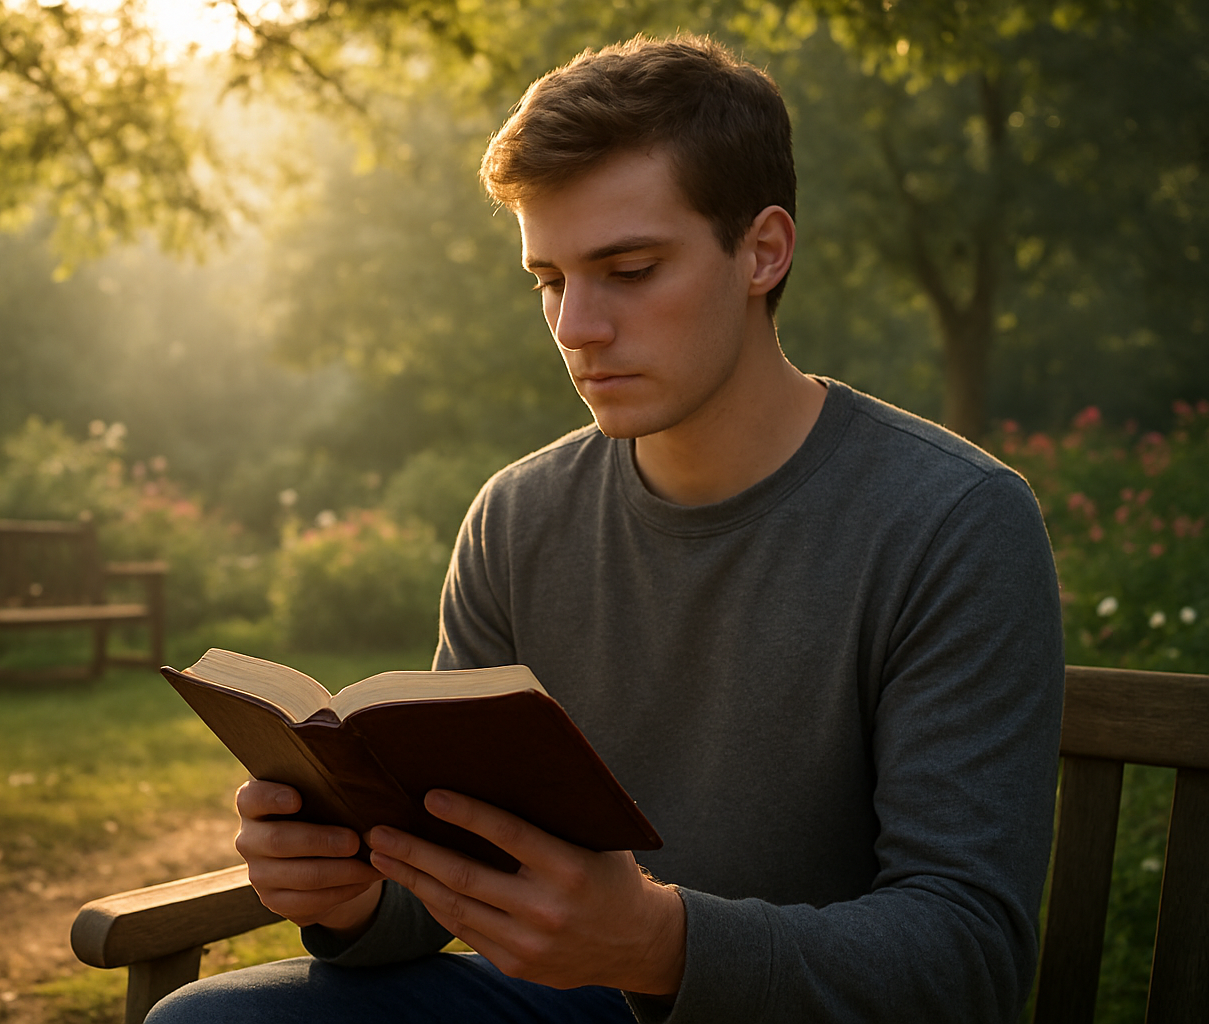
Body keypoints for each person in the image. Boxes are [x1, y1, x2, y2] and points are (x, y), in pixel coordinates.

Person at [148, 33, 1064, 1023]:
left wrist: (657, 941)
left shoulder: (955, 523)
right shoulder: (517, 517)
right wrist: (356, 888)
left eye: (629, 269)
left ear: (762, 251)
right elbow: (456, 866)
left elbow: (969, 958)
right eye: (549, 279)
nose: (578, 325)